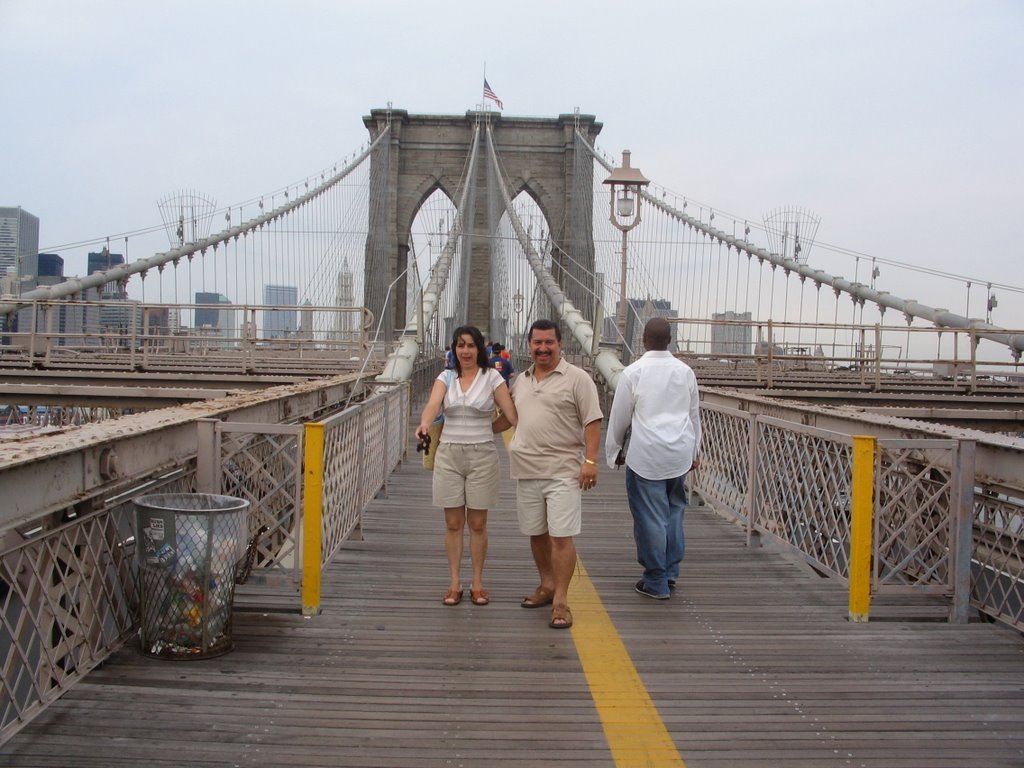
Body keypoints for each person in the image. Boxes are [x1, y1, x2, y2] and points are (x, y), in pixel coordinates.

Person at [493, 319, 602, 629]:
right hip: (526, 470)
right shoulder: (521, 381)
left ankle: (562, 601)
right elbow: (508, 419)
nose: (542, 348)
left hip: (563, 470)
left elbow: (592, 421)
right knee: (537, 534)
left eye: (548, 342)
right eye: (537, 343)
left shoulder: (578, 379)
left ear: (560, 344)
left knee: (561, 537)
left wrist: (591, 462)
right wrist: (470, 428)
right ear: (529, 345)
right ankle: (546, 585)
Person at [417, 326, 518, 607]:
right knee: (452, 523)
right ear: (453, 349)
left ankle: (477, 582)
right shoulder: (446, 377)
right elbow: (433, 404)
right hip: (448, 454)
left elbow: (510, 416)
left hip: (482, 456)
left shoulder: (492, 378)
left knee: (477, 523)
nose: (465, 351)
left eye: (471, 345)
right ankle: (453, 583)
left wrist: (488, 428)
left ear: (481, 349)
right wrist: (425, 423)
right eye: (460, 345)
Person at [605, 317, 701, 600]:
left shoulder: (634, 372)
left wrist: (613, 453)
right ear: (669, 339)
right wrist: (695, 451)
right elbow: (693, 414)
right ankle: (671, 572)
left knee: (650, 518)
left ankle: (656, 580)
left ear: (644, 339)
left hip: (646, 455)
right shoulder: (686, 372)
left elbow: (619, 419)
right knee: (674, 512)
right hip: (679, 454)